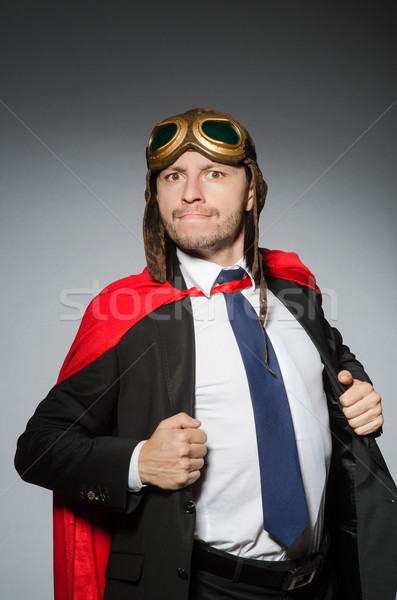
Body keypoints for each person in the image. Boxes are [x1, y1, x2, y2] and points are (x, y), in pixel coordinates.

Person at [15, 108, 397, 600]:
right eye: (173, 176)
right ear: (156, 196)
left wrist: (357, 390)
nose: (190, 191)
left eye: (213, 174)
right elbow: (40, 447)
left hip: (324, 582)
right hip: (203, 586)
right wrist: (138, 462)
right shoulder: (125, 316)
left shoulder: (296, 291)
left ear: (251, 191)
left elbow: (336, 362)